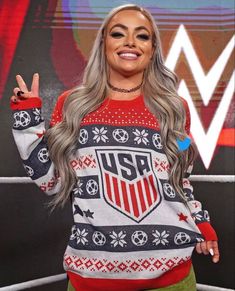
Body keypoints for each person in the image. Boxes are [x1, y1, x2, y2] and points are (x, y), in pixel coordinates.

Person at [10, 4, 219, 291]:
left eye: (142, 36)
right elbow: (52, 182)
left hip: (172, 275)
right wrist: (27, 118)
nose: (130, 42)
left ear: (153, 47)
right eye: (119, 33)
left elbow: (180, 178)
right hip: (92, 279)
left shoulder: (175, 109)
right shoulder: (72, 105)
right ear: (103, 43)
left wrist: (201, 223)